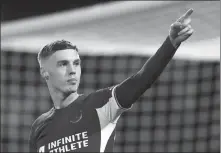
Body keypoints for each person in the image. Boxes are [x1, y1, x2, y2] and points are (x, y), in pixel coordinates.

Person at [29, 9, 194, 152]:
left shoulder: (100, 104)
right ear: (45, 72)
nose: (72, 70)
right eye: (63, 64)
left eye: (76, 63)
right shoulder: (39, 126)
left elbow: (141, 79)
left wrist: (170, 43)